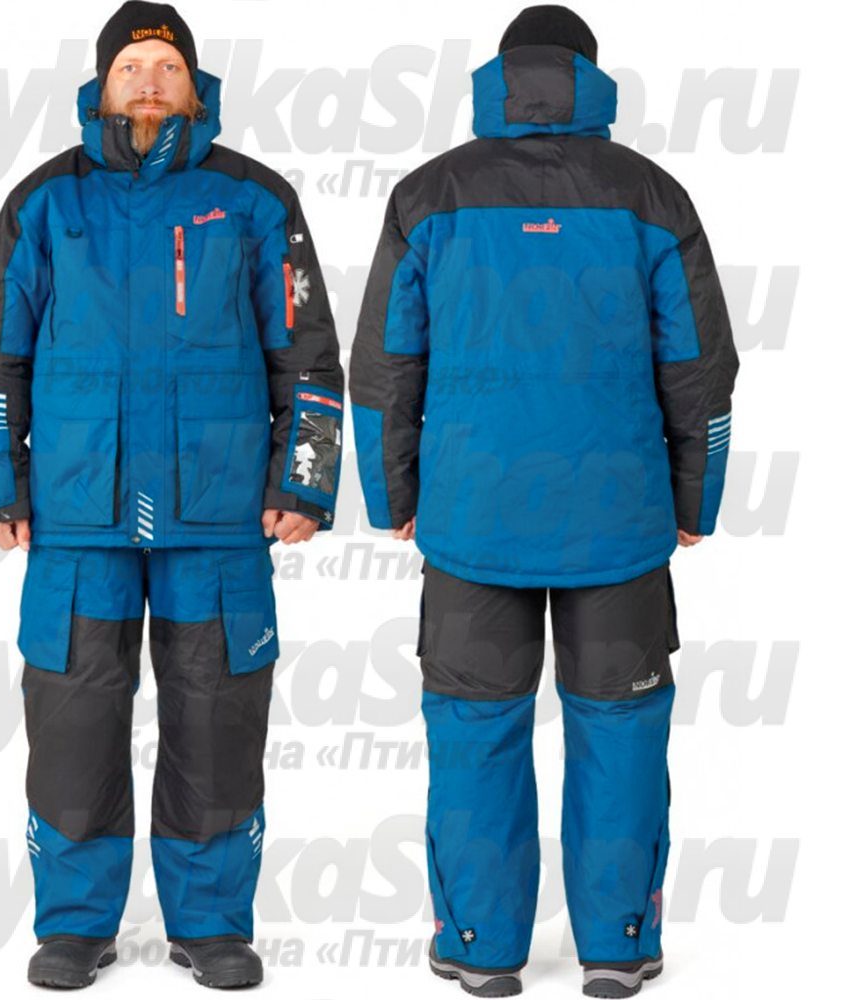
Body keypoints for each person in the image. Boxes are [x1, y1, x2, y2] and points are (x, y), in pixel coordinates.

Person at [350, 5, 738, 997]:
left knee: (475, 734)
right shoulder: (651, 195)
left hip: (472, 521)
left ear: (500, 78)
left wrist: (393, 495)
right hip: (620, 522)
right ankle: (618, 946)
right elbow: (700, 370)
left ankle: (480, 947)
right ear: (590, 79)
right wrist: (694, 500)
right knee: (621, 734)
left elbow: (385, 369)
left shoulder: (428, 194)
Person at [0, 1, 343, 988]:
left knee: (217, 720)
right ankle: (74, 924)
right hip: (77, 517)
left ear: (194, 86)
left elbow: (306, 354)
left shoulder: (254, 201)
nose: (148, 80)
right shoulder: (46, 201)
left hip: (218, 519)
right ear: (101, 84)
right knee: (73, 720)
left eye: (166, 64)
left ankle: (210, 924)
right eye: (130, 64)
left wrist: (303, 480)